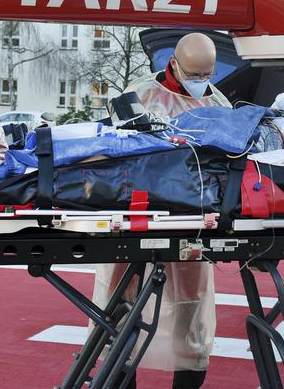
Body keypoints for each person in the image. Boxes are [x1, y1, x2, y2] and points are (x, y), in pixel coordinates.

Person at [92, 32, 230, 389]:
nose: (201, 84)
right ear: (173, 64)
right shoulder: (136, 97)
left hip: (193, 216)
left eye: (207, 75)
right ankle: (120, 374)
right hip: (136, 212)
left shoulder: (219, 105)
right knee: (119, 298)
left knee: (192, 302)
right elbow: (109, 152)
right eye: (195, 75)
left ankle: (189, 373)